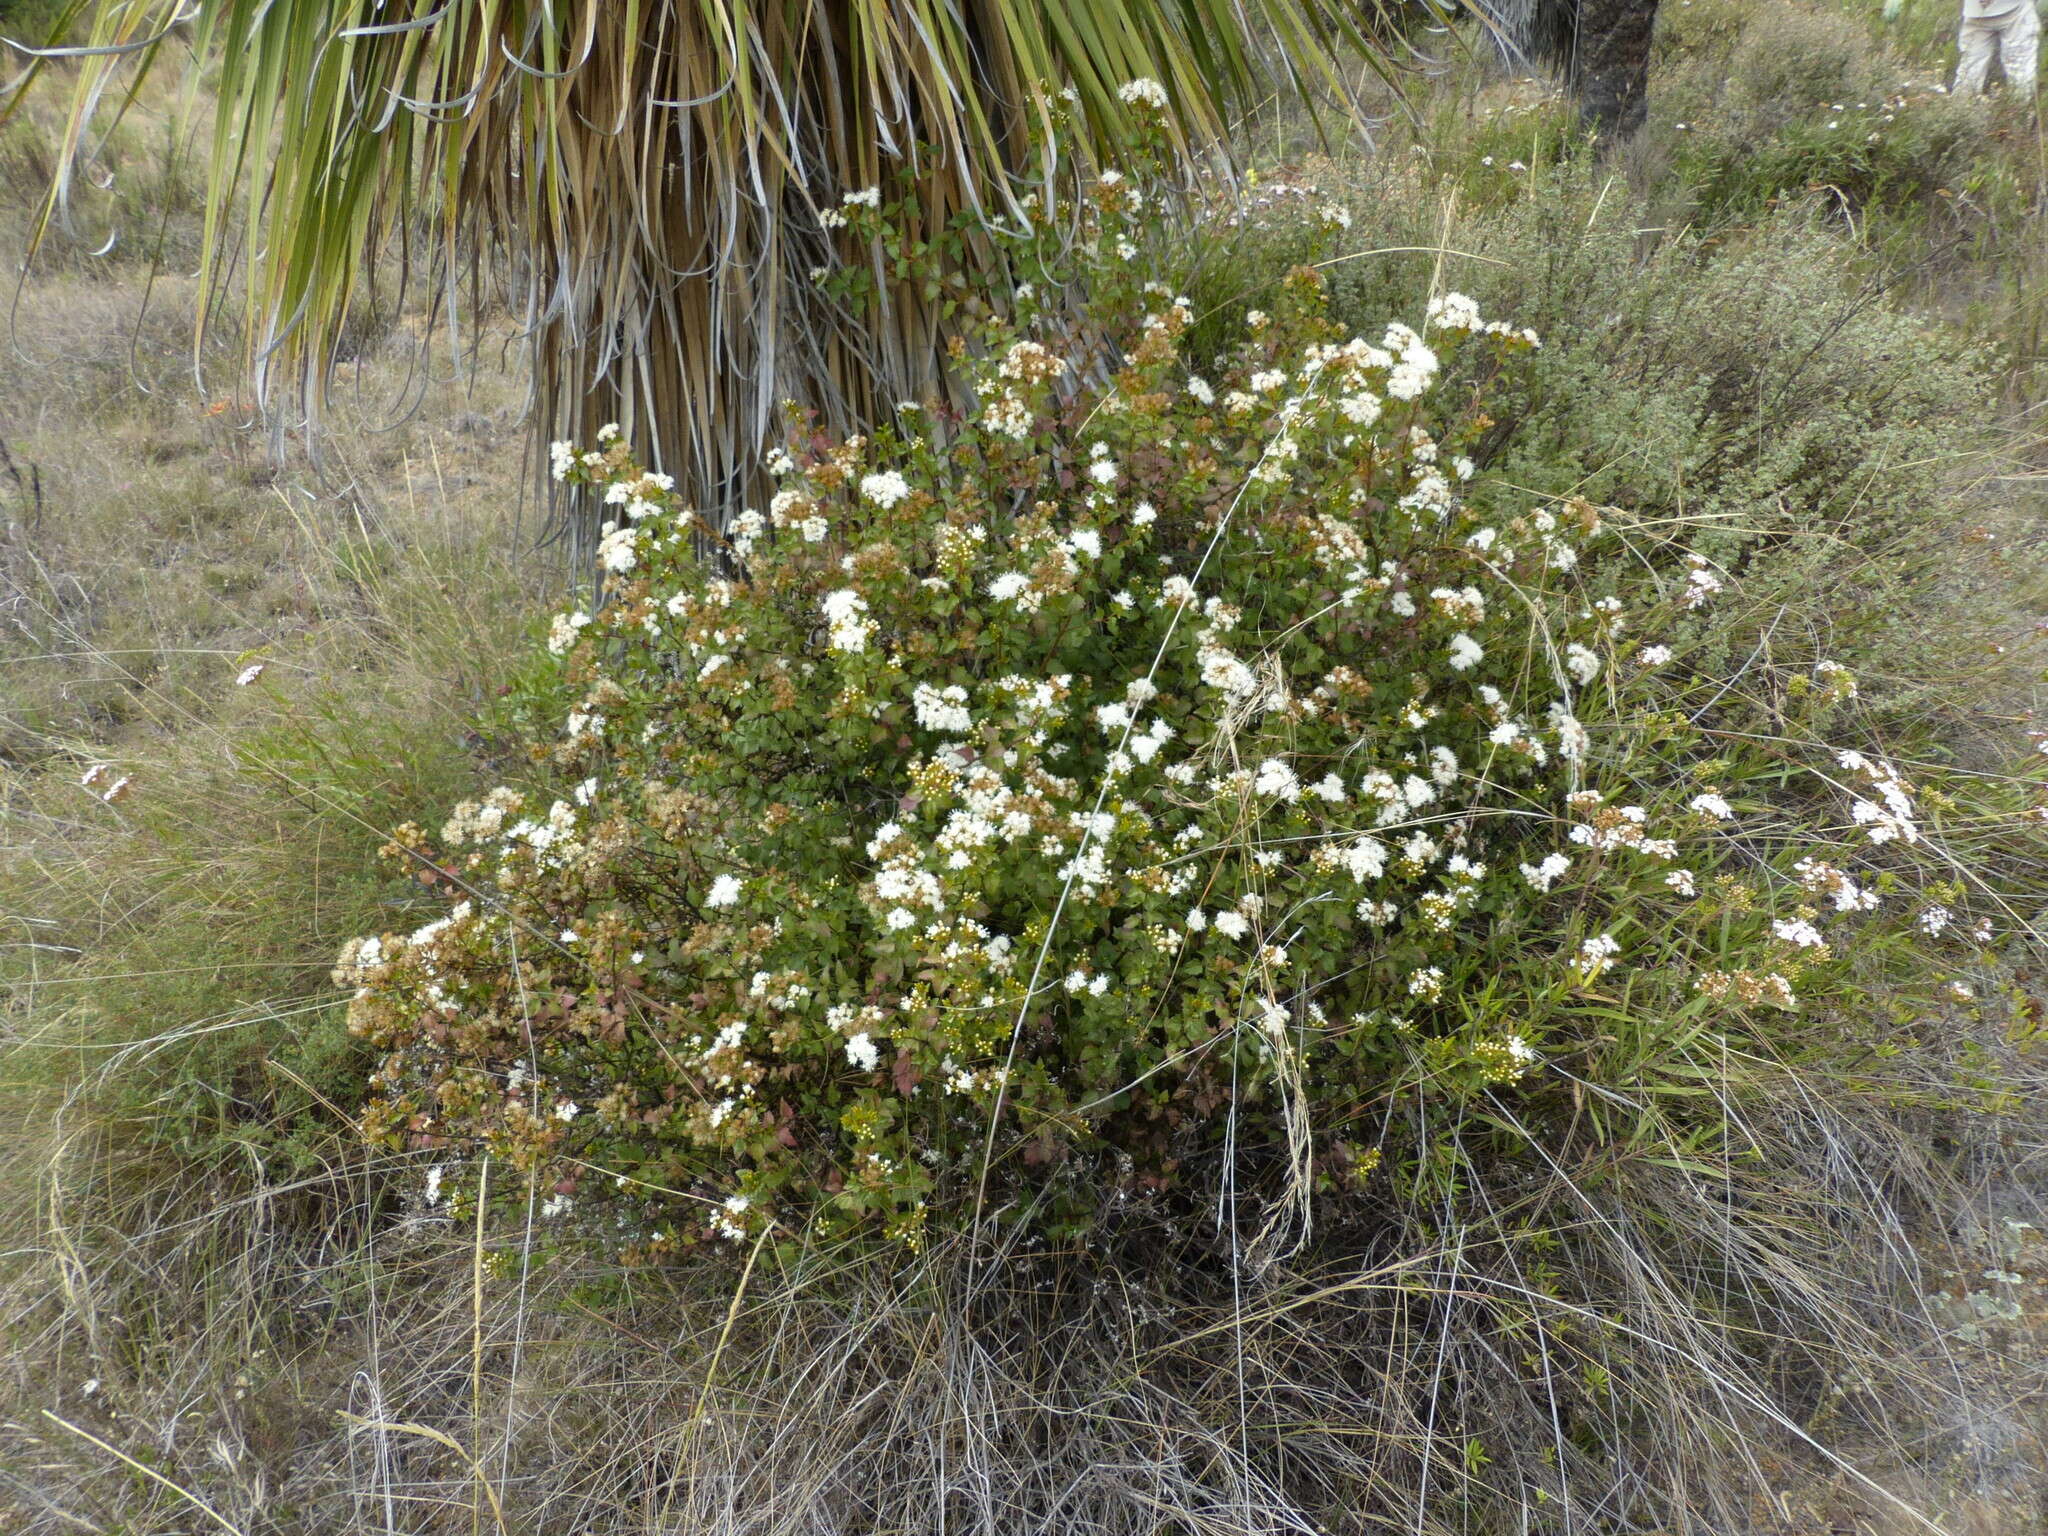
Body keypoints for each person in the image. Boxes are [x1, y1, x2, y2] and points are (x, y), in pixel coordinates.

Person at [1957, 0, 2040, 98]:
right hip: (1977, 13)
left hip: (2015, 10)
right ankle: (1960, 108)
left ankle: (2021, 108)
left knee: (2021, 74)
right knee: (1969, 73)